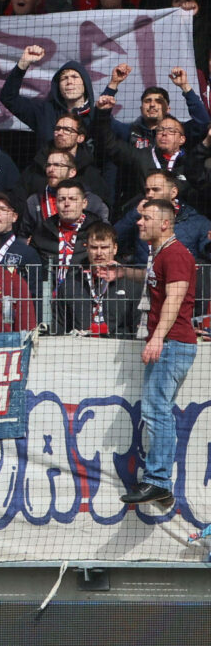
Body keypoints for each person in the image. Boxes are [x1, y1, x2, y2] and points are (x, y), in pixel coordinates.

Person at [132, 199, 196, 515]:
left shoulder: (177, 254)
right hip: (169, 342)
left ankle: (158, 480)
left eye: (146, 217)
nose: (139, 222)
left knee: (157, 409)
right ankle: (162, 492)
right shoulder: (160, 254)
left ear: (165, 223)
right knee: (156, 408)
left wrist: (157, 338)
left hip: (172, 343)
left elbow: (175, 297)